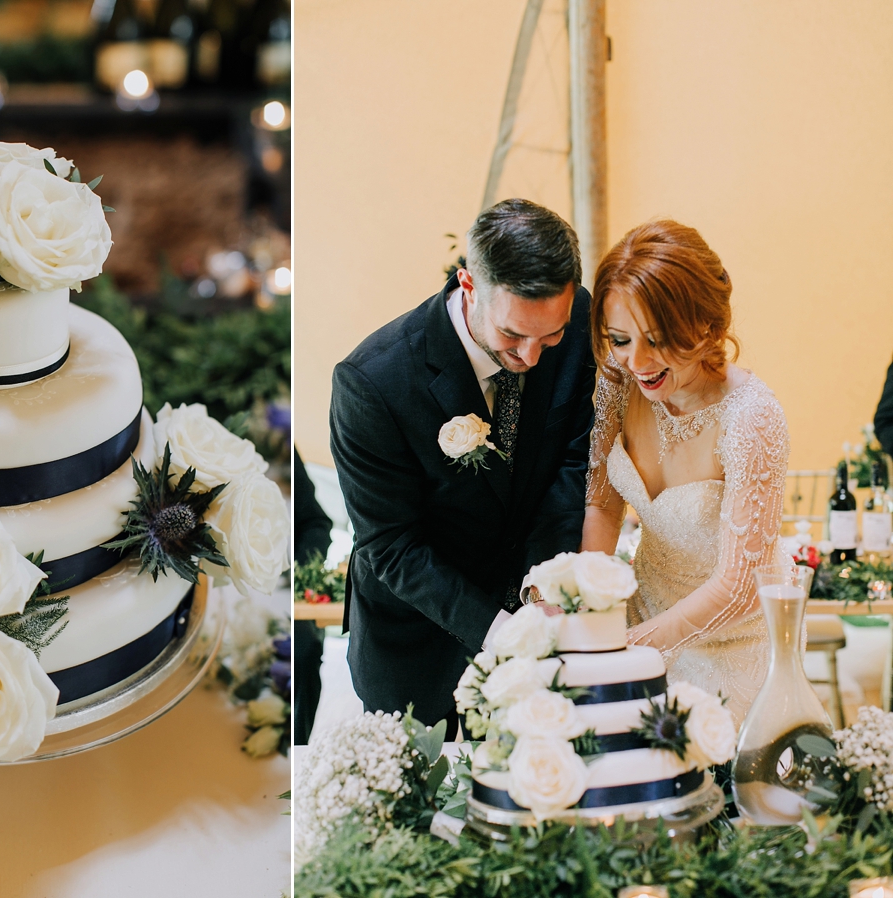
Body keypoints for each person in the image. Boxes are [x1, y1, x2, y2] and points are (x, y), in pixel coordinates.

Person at [330, 198, 596, 729]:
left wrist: (543, 591)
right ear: (469, 286)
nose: (532, 356)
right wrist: (502, 633)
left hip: (541, 634)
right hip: (417, 652)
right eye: (512, 335)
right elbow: (390, 545)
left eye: (552, 336)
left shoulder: (578, 317)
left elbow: (571, 464)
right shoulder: (373, 383)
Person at [581, 219, 788, 725]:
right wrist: (585, 604)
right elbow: (603, 501)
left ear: (708, 326)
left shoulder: (751, 417)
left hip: (731, 639)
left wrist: (630, 649)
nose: (638, 361)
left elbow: (739, 586)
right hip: (640, 608)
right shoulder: (618, 379)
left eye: (658, 339)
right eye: (620, 339)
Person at [293, 447, 333, 744]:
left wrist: (299, 574)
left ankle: (299, 747)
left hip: (291, 589)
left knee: (303, 650)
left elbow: (316, 524)